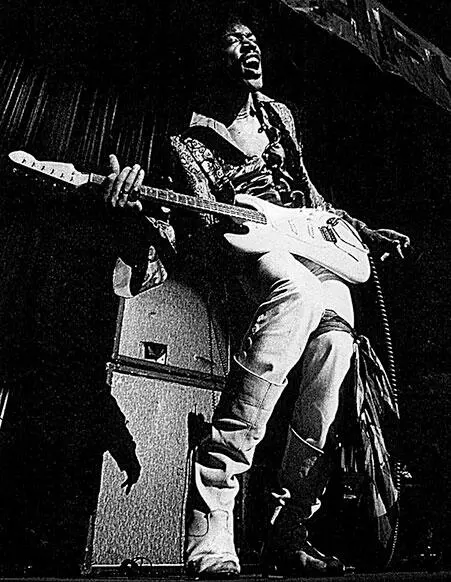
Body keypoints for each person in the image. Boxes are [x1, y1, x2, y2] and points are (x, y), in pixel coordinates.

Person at [104, 16, 410, 578]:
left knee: (335, 352)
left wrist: (361, 231)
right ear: (210, 57)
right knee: (296, 294)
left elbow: (308, 197)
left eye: (253, 38)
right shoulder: (187, 140)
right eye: (234, 38)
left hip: (309, 245)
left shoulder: (279, 116)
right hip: (249, 244)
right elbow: (190, 226)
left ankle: (289, 529)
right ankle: (212, 511)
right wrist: (134, 212)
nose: (250, 45)